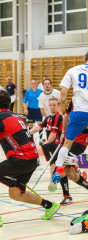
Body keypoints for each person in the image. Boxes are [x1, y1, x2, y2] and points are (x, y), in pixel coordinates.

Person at [0, 90, 60, 220]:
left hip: (21, 159)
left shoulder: (1, 118)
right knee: (15, 193)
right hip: (32, 160)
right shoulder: (15, 116)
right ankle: (49, 205)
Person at [30, 98, 88, 205]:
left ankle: (60, 183)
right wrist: (63, 132)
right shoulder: (74, 102)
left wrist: (82, 123)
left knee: (62, 165)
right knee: (71, 174)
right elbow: (66, 116)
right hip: (68, 138)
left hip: (80, 142)